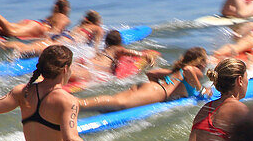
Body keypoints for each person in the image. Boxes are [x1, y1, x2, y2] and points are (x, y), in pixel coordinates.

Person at [79, 47, 209, 112]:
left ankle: (79, 105)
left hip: (150, 88)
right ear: (201, 62)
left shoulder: (175, 72)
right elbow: (188, 70)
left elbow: (152, 73)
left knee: (111, 105)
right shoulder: (195, 70)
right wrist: (201, 89)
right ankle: (77, 104)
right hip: (157, 92)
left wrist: (154, 87)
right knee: (118, 103)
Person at [0, 10, 107, 58]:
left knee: (33, 46)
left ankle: (3, 45)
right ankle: (17, 53)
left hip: (62, 36)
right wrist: (97, 54)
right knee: (39, 49)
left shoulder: (81, 25)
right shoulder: (97, 28)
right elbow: (96, 47)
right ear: (97, 21)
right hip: (68, 41)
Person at [0, 0, 71, 40]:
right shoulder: (64, 18)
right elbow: (55, 32)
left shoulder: (53, 16)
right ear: (65, 8)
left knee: (2, 29)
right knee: (11, 32)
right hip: (39, 28)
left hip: (33, 23)